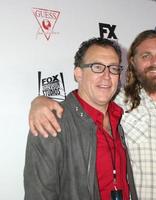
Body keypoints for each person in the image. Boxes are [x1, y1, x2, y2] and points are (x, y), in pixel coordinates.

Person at [28, 30, 156, 200]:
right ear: (133, 63)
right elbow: (85, 101)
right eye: (145, 56)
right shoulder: (120, 103)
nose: (155, 61)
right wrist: (39, 102)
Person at [24, 37, 138, 200]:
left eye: (113, 68)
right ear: (78, 73)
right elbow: (39, 195)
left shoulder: (120, 116)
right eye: (97, 67)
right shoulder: (51, 122)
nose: (106, 76)